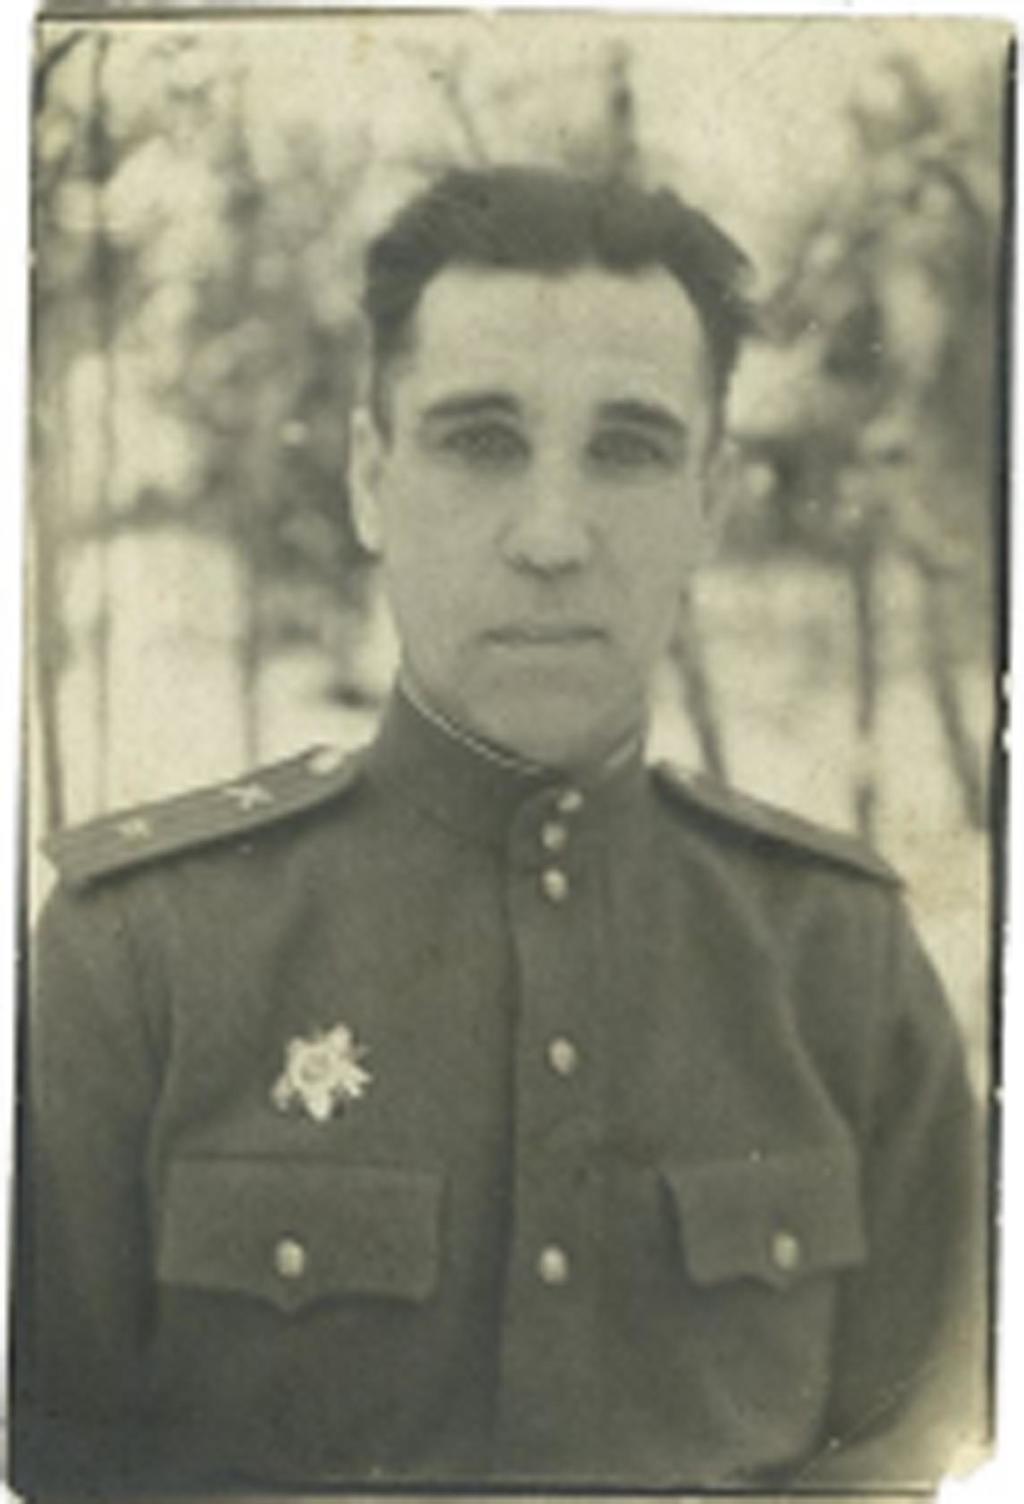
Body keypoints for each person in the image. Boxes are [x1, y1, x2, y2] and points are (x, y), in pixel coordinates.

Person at [15, 166, 986, 1496]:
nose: (551, 538)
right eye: (479, 442)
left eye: (628, 450)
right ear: (372, 480)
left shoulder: (843, 967)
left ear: (710, 503)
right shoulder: (140, 958)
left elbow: (927, 1455)